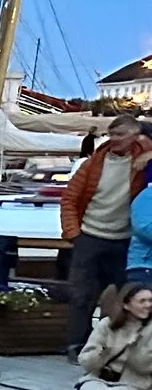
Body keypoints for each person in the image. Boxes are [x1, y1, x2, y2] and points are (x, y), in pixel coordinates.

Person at [59, 116, 152, 355]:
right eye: (111, 134)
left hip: (124, 239)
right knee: (82, 295)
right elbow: (69, 198)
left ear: (135, 135)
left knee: (128, 297)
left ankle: (119, 347)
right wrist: (73, 233)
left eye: (120, 135)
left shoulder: (142, 159)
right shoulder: (92, 164)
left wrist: (149, 155)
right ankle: (76, 346)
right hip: (90, 236)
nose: (114, 140)